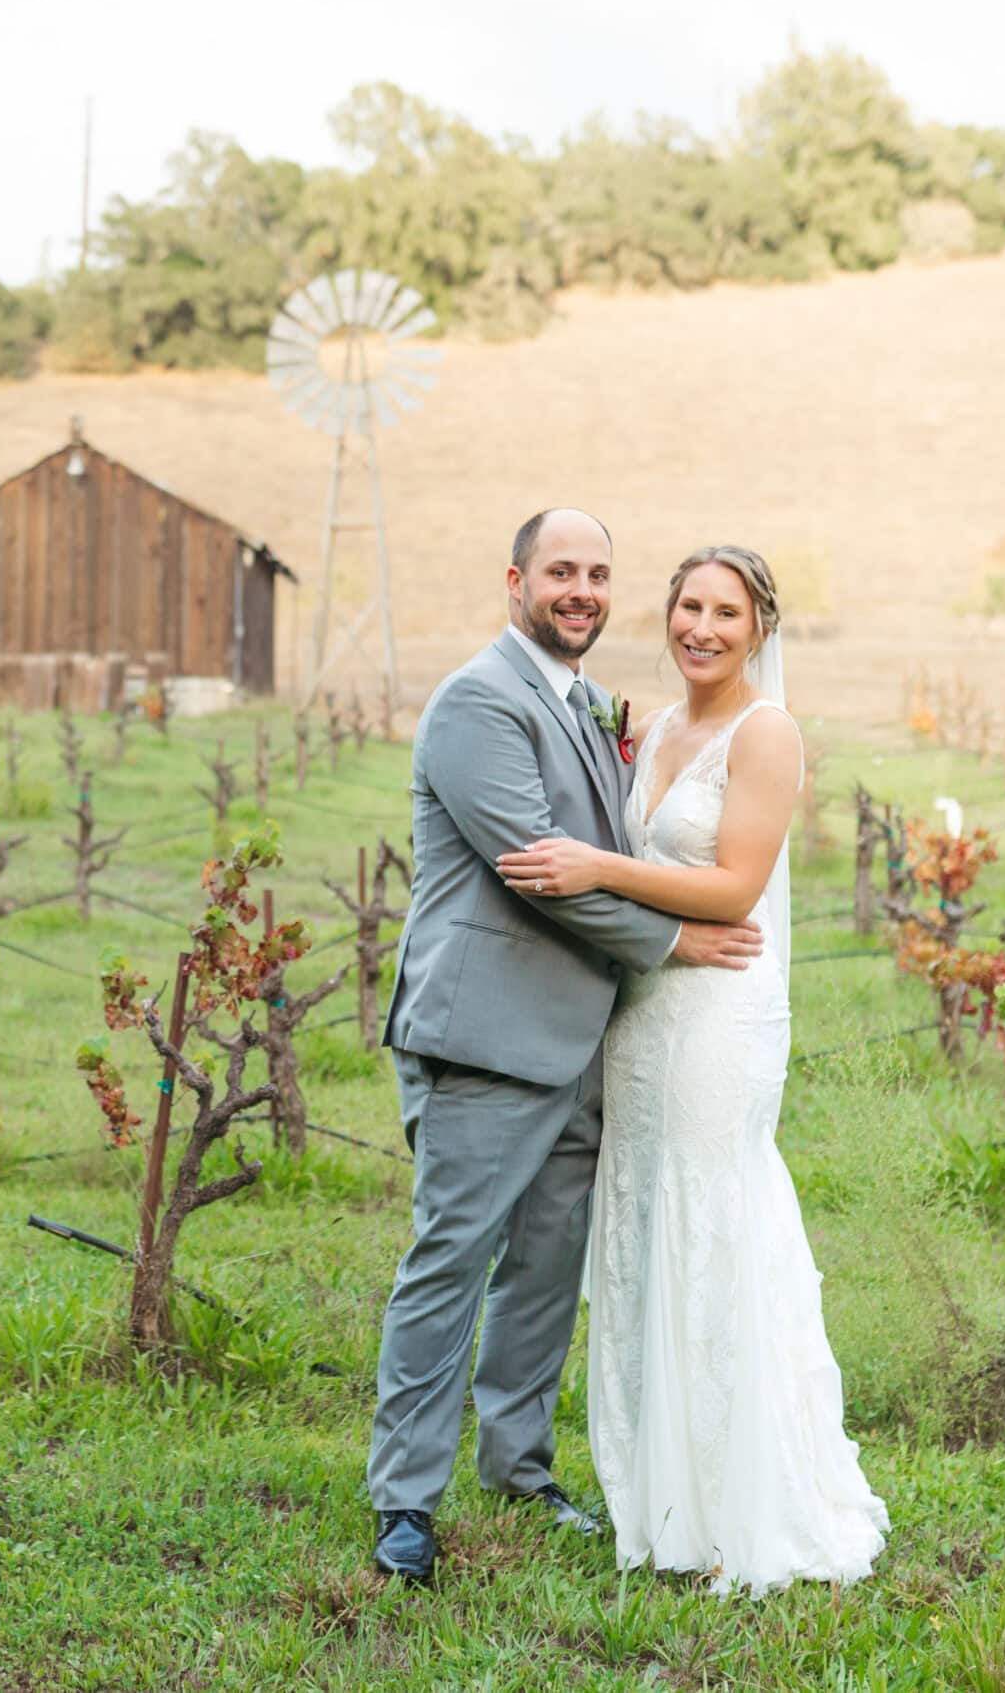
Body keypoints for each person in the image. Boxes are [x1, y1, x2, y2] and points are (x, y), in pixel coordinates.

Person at [365, 509, 764, 1586]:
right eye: (560, 572)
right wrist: (674, 940)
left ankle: (519, 1470)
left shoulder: (584, 701)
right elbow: (538, 870)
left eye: (597, 573)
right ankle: (405, 1504)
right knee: (451, 1261)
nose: (580, 590)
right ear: (515, 581)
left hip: (586, 1036)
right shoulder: (478, 703)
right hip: (487, 1034)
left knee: (545, 1269)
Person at [496, 545, 889, 1595]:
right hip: (644, 1008)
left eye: (725, 612)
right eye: (688, 607)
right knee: (643, 1219)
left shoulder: (767, 734)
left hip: (719, 1009)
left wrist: (595, 867)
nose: (702, 629)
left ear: (759, 629)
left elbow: (733, 888)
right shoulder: (660, 726)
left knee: (712, 1218)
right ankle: (662, 1501)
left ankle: (739, 1498)